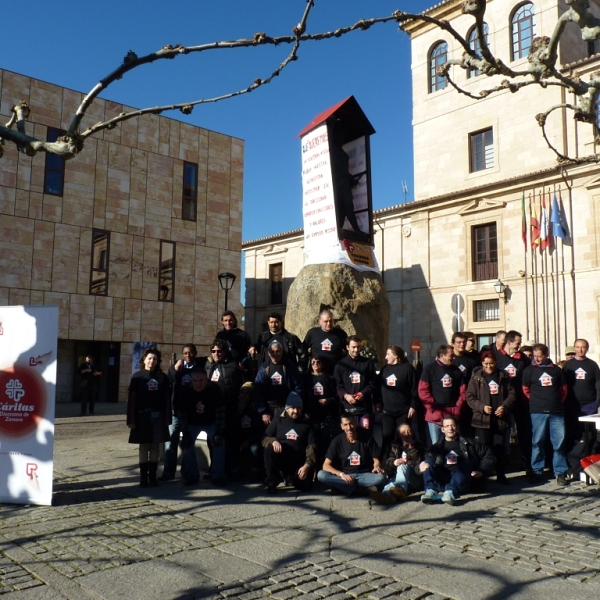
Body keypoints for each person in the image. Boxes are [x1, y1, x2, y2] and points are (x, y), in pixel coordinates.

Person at [419, 416, 495, 505]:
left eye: (452, 425)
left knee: (467, 463)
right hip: (443, 480)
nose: (450, 428)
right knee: (428, 461)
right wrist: (419, 468)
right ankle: (430, 491)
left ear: (457, 427)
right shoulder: (436, 447)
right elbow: (421, 465)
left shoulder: (470, 444)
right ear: (442, 429)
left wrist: (481, 470)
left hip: (462, 479)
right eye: (447, 426)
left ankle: (450, 492)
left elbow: (489, 455)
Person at [522, 344, 569, 486]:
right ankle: (537, 471)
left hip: (556, 412)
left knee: (559, 443)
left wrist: (554, 402)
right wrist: (538, 402)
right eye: (534, 356)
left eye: (539, 356)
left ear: (547, 355)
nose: (536, 358)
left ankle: (560, 472)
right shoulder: (529, 370)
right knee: (537, 442)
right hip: (537, 412)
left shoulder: (556, 371)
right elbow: (525, 390)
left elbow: (564, 390)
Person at [467, 351, 516, 484]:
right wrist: (481, 407)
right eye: (486, 363)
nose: (489, 366)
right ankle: (482, 477)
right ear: (482, 363)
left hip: (499, 419)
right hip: (482, 421)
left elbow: (511, 395)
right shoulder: (476, 377)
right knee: (483, 450)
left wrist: (504, 407)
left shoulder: (503, 376)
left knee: (499, 448)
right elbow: (470, 397)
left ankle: (501, 475)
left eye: (492, 363)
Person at [317, 415, 390, 503]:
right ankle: (362, 490)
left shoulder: (367, 438)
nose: (349, 428)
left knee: (381, 478)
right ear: (342, 426)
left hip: (364, 476)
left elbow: (376, 460)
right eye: (345, 425)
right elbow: (326, 465)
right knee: (321, 475)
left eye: (351, 424)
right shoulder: (337, 441)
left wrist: (376, 468)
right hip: (346, 476)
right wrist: (341, 475)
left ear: (356, 424)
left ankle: (343, 488)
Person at [160, 344, 207, 481]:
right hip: (176, 410)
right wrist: (175, 366)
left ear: (195, 354)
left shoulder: (200, 368)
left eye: (191, 353)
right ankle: (168, 472)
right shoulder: (176, 369)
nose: (188, 355)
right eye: (185, 353)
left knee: (187, 442)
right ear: (182, 355)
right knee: (171, 442)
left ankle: (187, 473)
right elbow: (170, 378)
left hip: (191, 412)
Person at [127, 347, 171, 487]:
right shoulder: (137, 377)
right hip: (141, 417)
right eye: (150, 358)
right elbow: (132, 400)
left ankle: (153, 477)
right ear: (144, 360)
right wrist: (131, 420)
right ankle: (143, 478)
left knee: (155, 447)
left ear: (158, 361)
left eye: (155, 359)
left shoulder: (162, 378)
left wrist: (167, 418)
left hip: (158, 416)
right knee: (143, 446)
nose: (152, 361)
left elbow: (166, 400)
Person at [178, 370, 227, 486]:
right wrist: (185, 432)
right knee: (186, 445)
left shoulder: (214, 389)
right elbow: (181, 413)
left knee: (220, 443)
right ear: (191, 381)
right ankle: (192, 475)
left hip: (211, 422)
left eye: (201, 381)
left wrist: (219, 431)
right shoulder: (185, 391)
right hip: (192, 423)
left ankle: (217, 475)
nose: (198, 384)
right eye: (195, 381)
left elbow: (220, 411)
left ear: (206, 380)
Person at [262, 392, 317, 493]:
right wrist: (273, 441)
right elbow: (264, 438)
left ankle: (289, 478)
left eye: (298, 408)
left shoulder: (307, 424)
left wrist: (307, 465)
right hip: (281, 459)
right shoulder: (278, 421)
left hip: (299, 463)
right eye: (293, 408)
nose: (296, 411)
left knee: (306, 487)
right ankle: (272, 481)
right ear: (287, 408)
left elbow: (312, 447)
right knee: (269, 449)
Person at [562, 338, 600, 476]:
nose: (580, 350)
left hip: (589, 405)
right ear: (574, 348)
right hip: (572, 405)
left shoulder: (592, 365)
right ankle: (574, 464)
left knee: (591, 435)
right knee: (574, 434)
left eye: (583, 347)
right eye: (577, 347)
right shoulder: (568, 365)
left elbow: (598, 384)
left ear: (587, 348)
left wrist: (597, 402)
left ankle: (590, 462)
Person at [496, 330, 532, 474]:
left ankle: (527, 464)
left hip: (520, 402)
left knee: (525, 433)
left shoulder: (522, 358)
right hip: (502, 401)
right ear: (509, 342)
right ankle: (501, 467)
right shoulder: (497, 357)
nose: (519, 345)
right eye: (518, 343)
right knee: (502, 434)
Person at [418, 344, 466, 445]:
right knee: (437, 445)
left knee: (454, 444)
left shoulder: (456, 371)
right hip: (436, 416)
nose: (454, 358)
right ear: (442, 355)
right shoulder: (429, 369)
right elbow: (423, 391)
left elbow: (463, 391)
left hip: (453, 414)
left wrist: (458, 407)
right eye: (451, 355)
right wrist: (434, 408)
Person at [377, 345, 418, 459]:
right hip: (387, 412)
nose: (386, 357)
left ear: (396, 356)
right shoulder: (385, 370)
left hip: (403, 412)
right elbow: (377, 388)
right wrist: (378, 403)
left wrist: (413, 406)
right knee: (387, 438)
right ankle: (386, 464)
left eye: (388, 354)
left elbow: (414, 389)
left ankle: (405, 462)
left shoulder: (408, 368)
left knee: (403, 438)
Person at [254, 341, 304, 425]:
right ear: (268, 353)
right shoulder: (264, 368)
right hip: (269, 408)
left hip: (286, 408)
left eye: (278, 351)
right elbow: (258, 391)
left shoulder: (290, 367)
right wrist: (264, 411)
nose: (275, 354)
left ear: (282, 352)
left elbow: (298, 387)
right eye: (272, 352)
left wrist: (293, 407)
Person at [334, 336, 377, 430]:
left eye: (358, 347)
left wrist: (363, 393)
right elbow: (338, 386)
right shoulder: (340, 365)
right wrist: (345, 396)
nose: (356, 350)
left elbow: (373, 383)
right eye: (353, 347)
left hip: (364, 407)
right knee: (350, 435)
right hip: (347, 408)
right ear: (347, 347)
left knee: (366, 435)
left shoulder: (368, 363)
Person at [305, 355, 339, 459]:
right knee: (313, 441)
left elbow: (336, 397)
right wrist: (305, 411)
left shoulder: (329, 378)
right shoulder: (306, 378)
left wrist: (328, 401)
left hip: (326, 415)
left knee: (325, 441)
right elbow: (303, 396)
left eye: (318, 362)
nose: (315, 364)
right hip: (311, 415)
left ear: (322, 364)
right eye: (313, 362)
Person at [382, 423, 425, 501]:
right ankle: (386, 496)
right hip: (400, 477)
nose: (407, 434)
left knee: (403, 466)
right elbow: (388, 461)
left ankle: (402, 491)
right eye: (404, 432)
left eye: (409, 431)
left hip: (414, 478)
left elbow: (418, 464)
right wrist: (395, 462)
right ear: (399, 435)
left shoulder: (419, 445)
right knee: (390, 483)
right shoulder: (395, 446)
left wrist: (412, 449)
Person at [233, 383, 263, 481]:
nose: (244, 396)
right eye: (242, 392)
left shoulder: (256, 408)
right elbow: (231, 427)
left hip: (252, 438)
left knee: (255, 448)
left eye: (247, 393)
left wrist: (249, 440)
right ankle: (235, 473)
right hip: (238, 437)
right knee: (231, 446)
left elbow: (259, 429)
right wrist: (239, 411)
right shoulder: (234, 405)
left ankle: (255, 473)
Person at [303, 310, 348, 375]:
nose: (329, 323)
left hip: (335, 371)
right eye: (326, 321)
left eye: (331, 321)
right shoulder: (312, 333)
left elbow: (347, 350)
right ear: (319, 321)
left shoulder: (340, 334)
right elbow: (303, 348)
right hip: (317, 372)